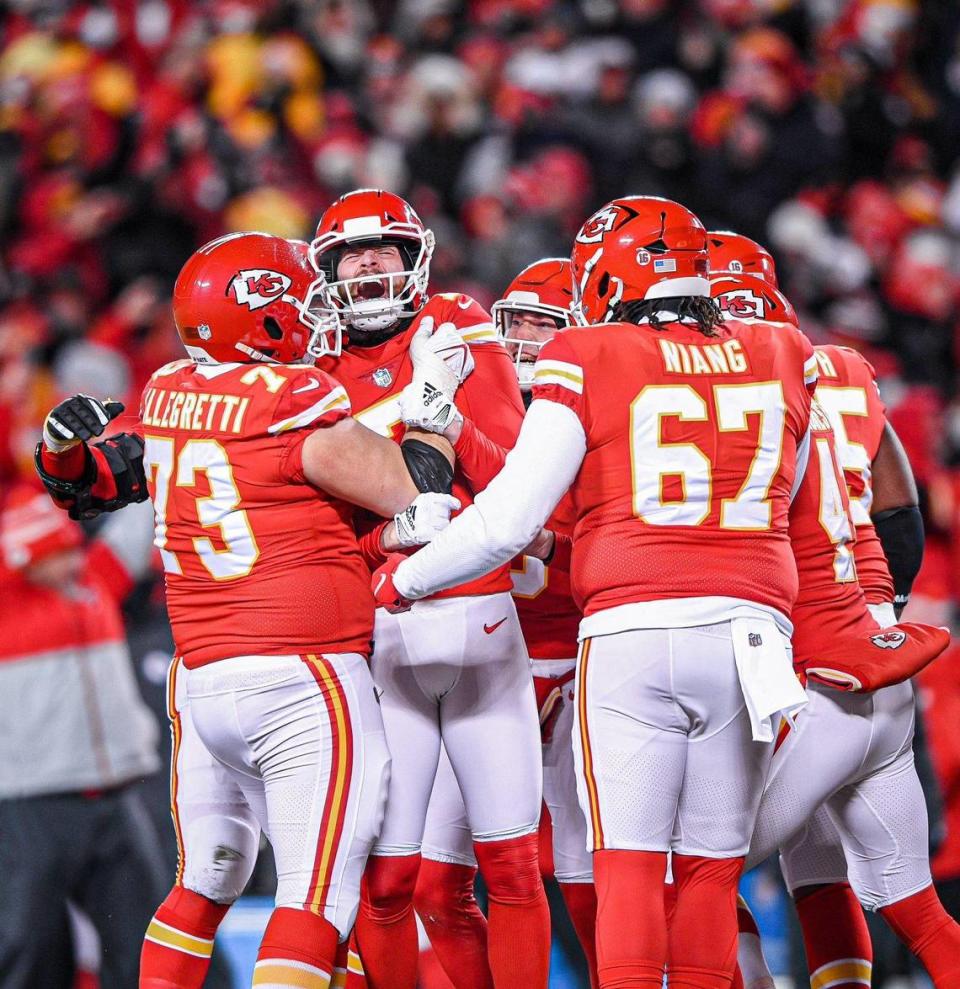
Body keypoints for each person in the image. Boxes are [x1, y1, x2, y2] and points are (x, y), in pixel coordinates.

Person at [372, 196, 817, 988]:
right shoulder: (784, 348)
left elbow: (508, 519)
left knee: (629, 870)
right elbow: (793, 501)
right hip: (752, 633)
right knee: (713, 876)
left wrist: (402, 578)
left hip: (634, 632)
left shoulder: (589, 351)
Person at [35, 231, 458, 989]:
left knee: (203, 882)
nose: (313, 312)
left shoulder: (168, 391)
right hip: (303, 679)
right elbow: (414, 484)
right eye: (297, 299)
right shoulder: (293, 399)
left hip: (201, 683)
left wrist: (60, 453)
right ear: (261, 317)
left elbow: (90, 485)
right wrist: (433, 399)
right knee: (316, 896)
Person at [308, 189, 551, 989]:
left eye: (382, 248)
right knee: (390, 884)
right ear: (328, 270)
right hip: (379, 634)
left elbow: (518, 485)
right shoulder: (307, 370)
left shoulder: (452, 323)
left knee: (513, 868)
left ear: (414, 256)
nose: (367, 261)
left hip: (481, 619)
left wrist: (444, 420)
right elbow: (324, 521)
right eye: (349, 252)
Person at [706, 232, 959, 988]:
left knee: (689, 869)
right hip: (875, 654)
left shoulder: (728, 386)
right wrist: (877, 604)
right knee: (895, 894)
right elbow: (900, 511)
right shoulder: (842, 368)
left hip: (810, 674)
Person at [409, 259, 599, 988]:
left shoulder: (596, 420)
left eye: (542, 326)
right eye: (512, 323)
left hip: (573, 664)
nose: (521, 340)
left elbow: (569, 537)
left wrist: (454, 427)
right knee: (433, 884)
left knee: (586, 882)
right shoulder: (469, 402)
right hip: (489, 664)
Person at [0, 488, 165, 989]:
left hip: (116, 797)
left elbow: (137, 527)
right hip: (32, 804)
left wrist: (153, 453)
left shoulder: (95, 584)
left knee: (143, 945)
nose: (73, 557)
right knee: (30, 952)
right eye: (58, 551)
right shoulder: (6, 611)